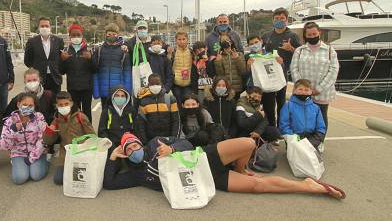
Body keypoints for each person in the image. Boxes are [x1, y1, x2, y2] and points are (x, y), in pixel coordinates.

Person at [104, 133, 346, 199]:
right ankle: (309, 186)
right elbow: (110, 183)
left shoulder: (155, 142)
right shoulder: (136, 175)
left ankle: (240, 167)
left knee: (247, 143)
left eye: (133, 146)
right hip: (204, 179)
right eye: (128, 150)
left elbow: (187, 141)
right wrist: (113, 157)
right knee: (258, 187)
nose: (133, 150)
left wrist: (173, 149)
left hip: (205, 158)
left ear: (139, 143)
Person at [290, 22, 339, 129]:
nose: (312, 37)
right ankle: (304, 140)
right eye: (309, 35)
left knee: (321, 117)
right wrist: (302, 87)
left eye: (314, 34)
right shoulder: (300, 50)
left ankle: (320, 141)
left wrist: (319, 88)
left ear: (319, 33)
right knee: (302, 117)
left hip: (322, 93)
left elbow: (333, 71)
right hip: (303, 92)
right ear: (305, 36)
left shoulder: (330, 51)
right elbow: (294, 68)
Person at [259, 8, 301, 127]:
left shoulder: (292, 36)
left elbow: (301, 53)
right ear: (273, 20)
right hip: (268, 75)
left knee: (281, 103)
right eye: (276, 18)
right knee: (268, 103)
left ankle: (281, 127)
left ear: (287, 20)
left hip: (283, 74)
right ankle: (271, 127)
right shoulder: (266, 35)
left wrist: (291, 49)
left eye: (282, 18)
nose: (279, 20)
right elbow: (258, 50)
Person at [0, 92, 49, 185]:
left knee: (36, 175)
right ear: (18, 104)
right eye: (24, 104)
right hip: (18, 153)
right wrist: (13, 131)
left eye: (30, 105)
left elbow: (43, 139)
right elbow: (4, 145)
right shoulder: (9, 120)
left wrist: (32, 157)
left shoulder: (39, 117)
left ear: (34, 107)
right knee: (19, 179)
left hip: (37, 152)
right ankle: (18, 164)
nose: (27, 107)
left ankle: (45, 161)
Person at [43, 91, 95, 185]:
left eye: (66, 104)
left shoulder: (80, 117)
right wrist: (50, 131)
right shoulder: (56, 120)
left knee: (81, 178)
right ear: (56, 106)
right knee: (58, 180)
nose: (64, 107)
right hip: (66, 153)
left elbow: (92, 136)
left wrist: (89, 151)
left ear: (71, 103)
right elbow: (48, 141)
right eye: (60, 105)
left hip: (81, 151)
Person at [245, 34, 284, 126]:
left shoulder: (271, 54)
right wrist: (248, 65)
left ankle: (272, 130)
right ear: (248, 46)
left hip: (269, 87)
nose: (254, 45)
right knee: (255, 111)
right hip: (254, 88)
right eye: (251, 44)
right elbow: (245, 74)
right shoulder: (247, 56)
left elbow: (279, 69)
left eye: (256, 42)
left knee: (270, 111)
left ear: (261, 41)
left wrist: (280, 62)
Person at [60, 24, 95, 121]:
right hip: (73, 88)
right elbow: (61, 71)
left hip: (87, 88)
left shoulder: (89, 50)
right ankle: (77, 132)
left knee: (87, 112)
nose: (76, 37)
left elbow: (95, 69)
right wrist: (63, 60)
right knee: (74, 112)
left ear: (82, 36)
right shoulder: (66, 51)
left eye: (78, 35)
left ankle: (89, 134)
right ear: (69, 36)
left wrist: (91, 59)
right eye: (73, 35)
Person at [93, 23, 132, 108]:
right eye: (109, 34)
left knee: (118, 114)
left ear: (118, 35)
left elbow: (127, 72)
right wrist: (96, 90)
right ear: (105, 34)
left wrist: (127, 90)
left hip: (118, 91)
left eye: (114, 34)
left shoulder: (123, 51)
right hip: (103, 90)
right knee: (105, 114)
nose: (112, 36)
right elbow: (95, 72)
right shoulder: (99, 50)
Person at [279, 79, 326, 150]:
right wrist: (295, 139)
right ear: (294, 90)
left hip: (311, 138)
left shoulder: (316, 108)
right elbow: (284, 125)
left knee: (312, 160)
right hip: (294, 137)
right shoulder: (288, 106)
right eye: (300, 89)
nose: (303, 92)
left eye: (306, 90)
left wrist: (313, 141)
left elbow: (321, 127)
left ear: (311, 92)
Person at [24, 17, 64, 94]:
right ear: (38, 27)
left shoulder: (58, 41)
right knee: (40, 102)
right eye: (42, 26)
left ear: (50, 27)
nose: (44, 28)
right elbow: (27, 61)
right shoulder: (32, 42)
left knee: (55, 103)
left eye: (46, 26)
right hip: (39, 78)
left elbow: (61, 59)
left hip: (55, 78)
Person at [136, 74, 180, 143]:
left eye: (157, 83)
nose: (155, 86)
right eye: (152, 84)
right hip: (151, 140)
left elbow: (176, 121)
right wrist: (145, 142)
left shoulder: (170, 99)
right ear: (148, 85)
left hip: (168, 139)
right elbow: (141, 124)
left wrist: (174, 139)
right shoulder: (143, 102)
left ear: (161, 84)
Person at [170, 31, 194, 104]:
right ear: (176, 40)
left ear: (187, 40)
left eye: (184, 39)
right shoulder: (173, 52)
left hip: (188, 84)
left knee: (187, 103)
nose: (182, 41)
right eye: (179, 39)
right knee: (177, 104)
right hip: (176, 84)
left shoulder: (191, 51)